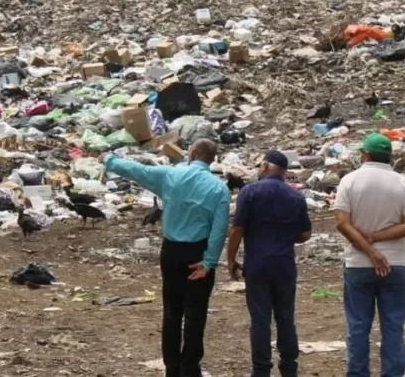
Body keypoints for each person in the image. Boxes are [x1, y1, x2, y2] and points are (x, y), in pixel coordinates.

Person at [103, 139, 230, 377]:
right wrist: (209, 262)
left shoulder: (171, 176)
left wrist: (110, 161)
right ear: (212, 160)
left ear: (192, 153)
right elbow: (219, 228)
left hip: (171, 251)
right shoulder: (218, 188)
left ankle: (172, 367)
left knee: (172, 312)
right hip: (198, 253)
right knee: (196, 313)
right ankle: (190, 368)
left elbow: (137, 171)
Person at [333, 133, 405, 377]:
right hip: (395, 263)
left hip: (358, 264)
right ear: (389, 156)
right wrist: (377, 243)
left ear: (366, 154)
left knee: (358, 326)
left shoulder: (350, 181)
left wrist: (369, 248)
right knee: (393, 326)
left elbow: (342, 223)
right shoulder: (403, 183)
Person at [226, 150, 312, 377]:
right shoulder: (296, 197)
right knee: (285, 316)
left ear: (264, 166)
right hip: (284, 265)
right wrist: (284, 236)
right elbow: (305, 233)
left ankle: (261, 370)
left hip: (257, 265)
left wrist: (230, 259)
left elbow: (237, 229)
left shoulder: (250, 192)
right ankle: (289, 368)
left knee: (260, 319)